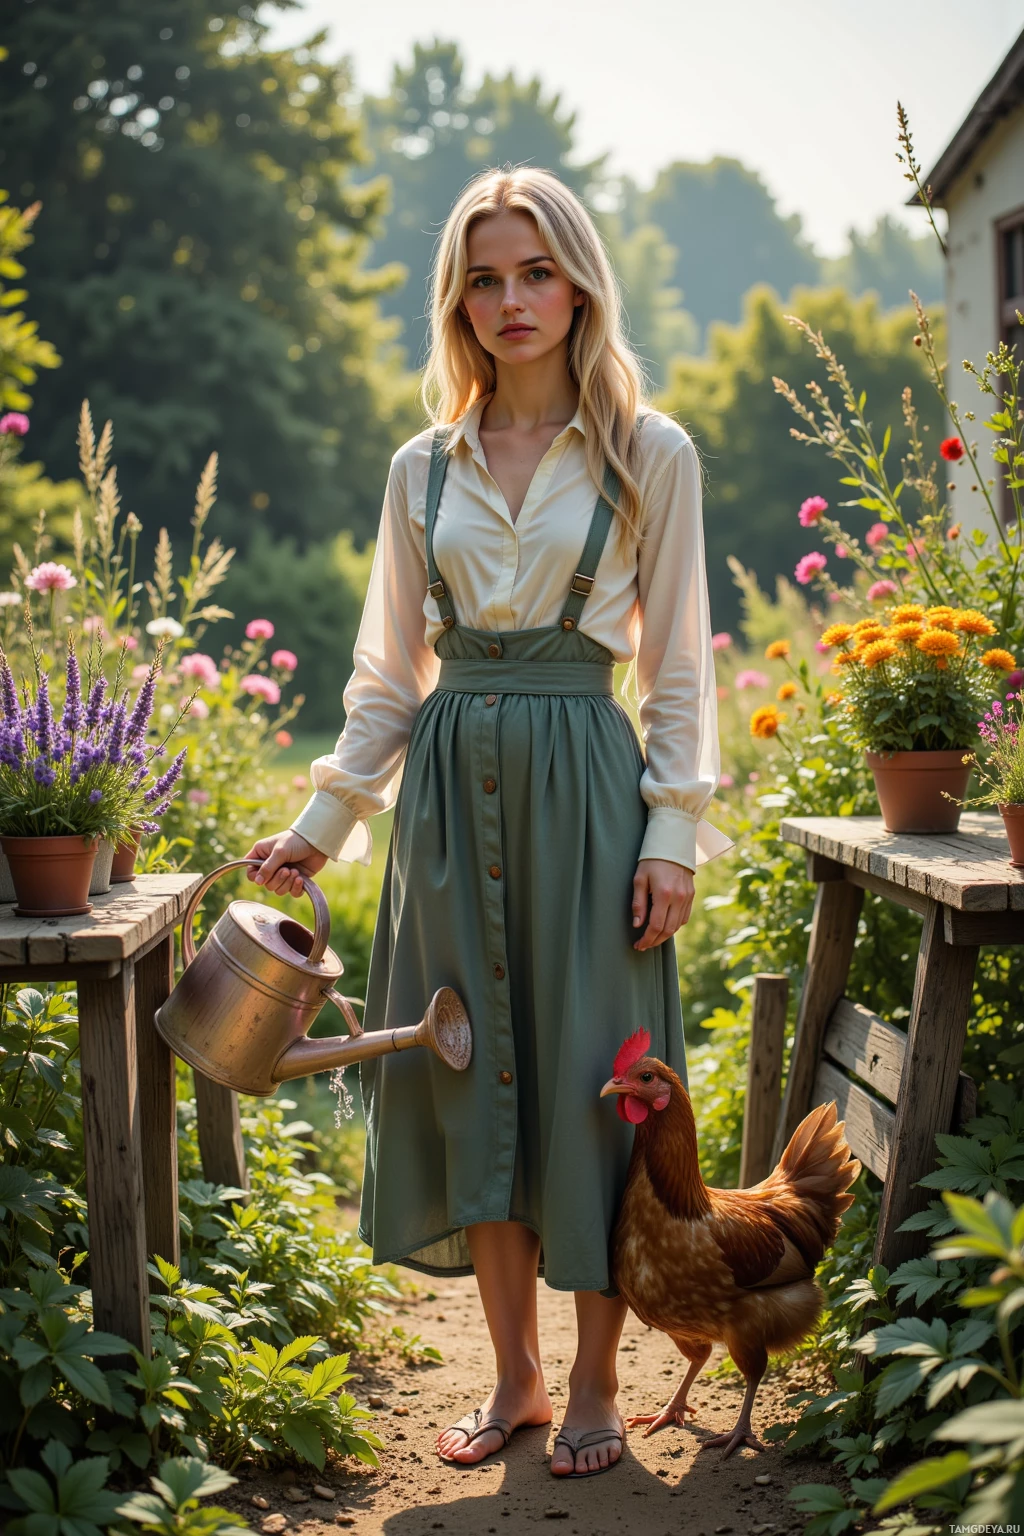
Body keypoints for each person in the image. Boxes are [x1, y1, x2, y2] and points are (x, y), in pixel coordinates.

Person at [244, 165, 731, 1479]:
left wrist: (673, 833)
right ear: (457, 299)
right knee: (467, 1082)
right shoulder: (421, 469)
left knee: (592, 1087)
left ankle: (590, 1380)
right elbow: (386, 680)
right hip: (452, 797)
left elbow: (679, 666)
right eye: (484, 276)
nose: (511, 300)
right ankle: (514, 1377)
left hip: (589, 789)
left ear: (579, 284)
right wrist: (318, 827)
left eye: (535, 271)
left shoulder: (651, 452)